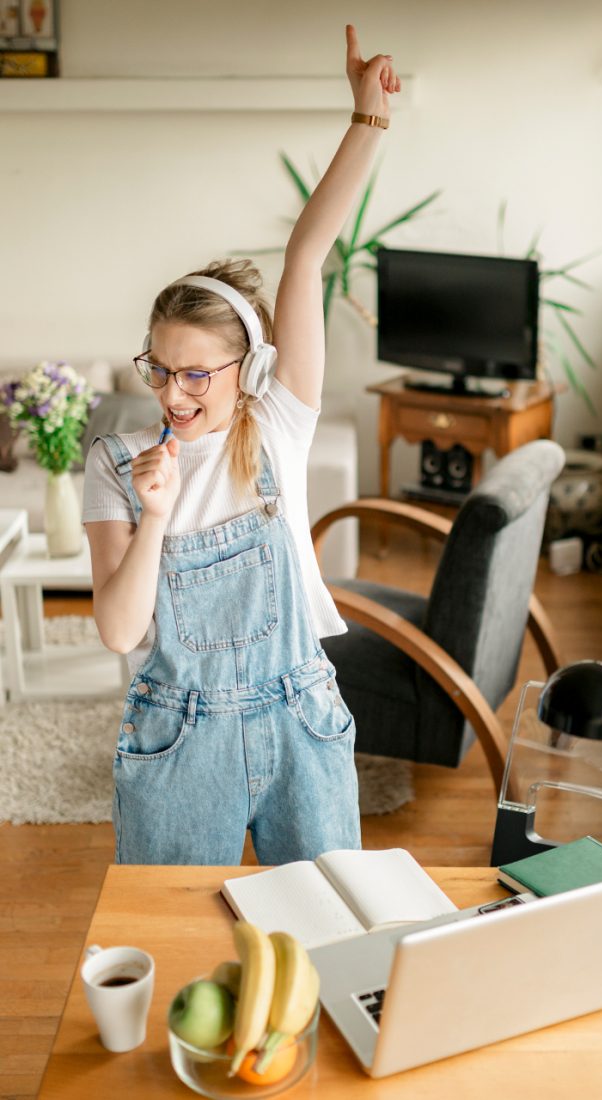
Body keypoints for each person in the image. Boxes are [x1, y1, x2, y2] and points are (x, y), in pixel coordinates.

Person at [82, 25, 400, 865]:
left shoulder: (280, 426)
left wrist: (367, 120)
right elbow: (118, 631)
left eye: (196, 375)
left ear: (246, 366)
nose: (171, 393)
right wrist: (155, 514)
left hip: (301, 717)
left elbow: (308, 253)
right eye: (159, 369)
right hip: (179, 741)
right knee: (180, 943)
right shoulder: (114, 467)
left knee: (332, 931)